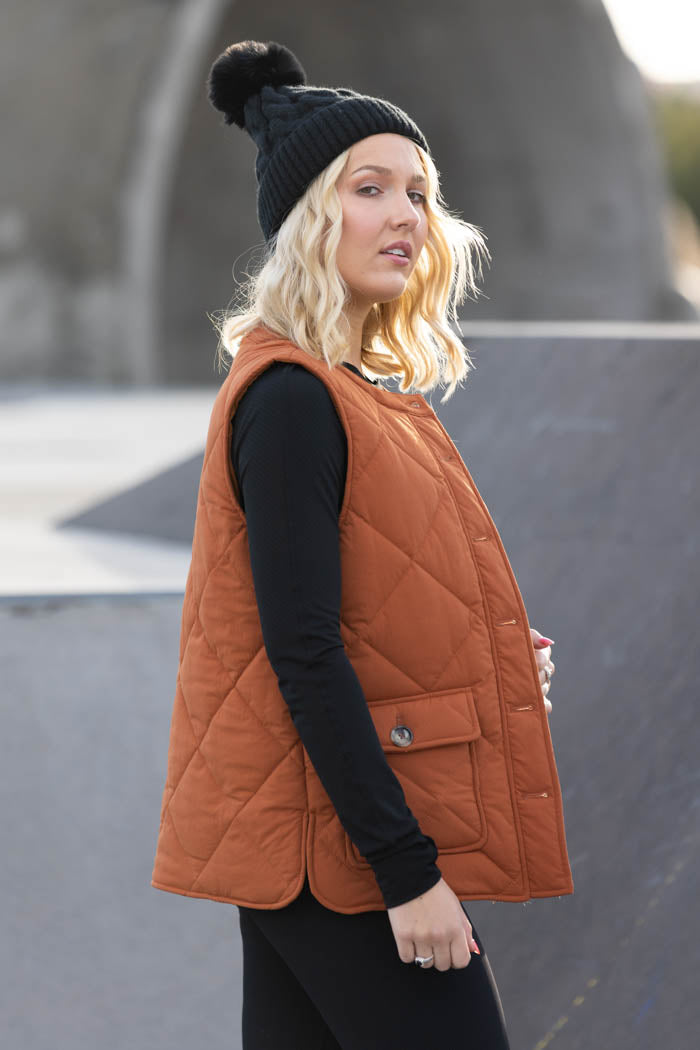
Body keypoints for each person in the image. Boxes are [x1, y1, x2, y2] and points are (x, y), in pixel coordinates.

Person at [151, 39, 573, 1050]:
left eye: (418, 193)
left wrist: (492, 660)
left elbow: (365, 610)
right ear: (309, 218)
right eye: (370, 188)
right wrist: (407, 875)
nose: (406, 216)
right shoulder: (294, 400)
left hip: (317, 850)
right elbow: (302, 650)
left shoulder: (354, 391)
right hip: (339, 860)